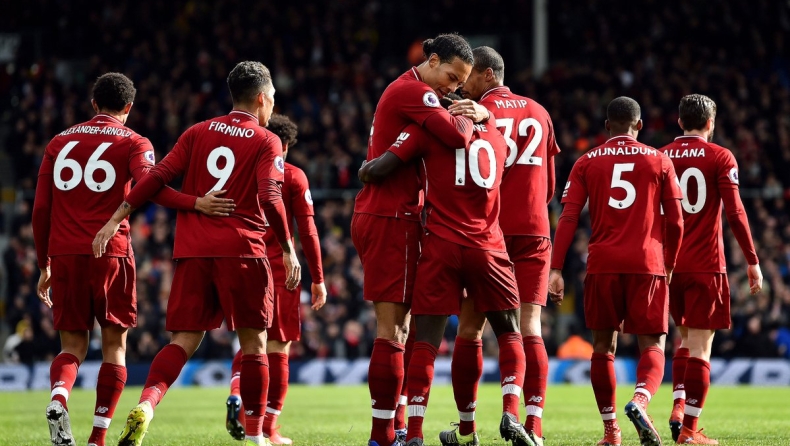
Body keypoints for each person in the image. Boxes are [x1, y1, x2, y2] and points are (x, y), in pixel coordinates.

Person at [92, 61, 300, 446]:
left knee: (182, 341)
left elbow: (154, 179)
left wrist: (117, 216)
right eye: (272, 98)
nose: (273, 106)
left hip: (193, 252)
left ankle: (147, 404)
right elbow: (271, 197)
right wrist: (288, 249)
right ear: (261, 98)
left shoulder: (197, 131)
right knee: (255, 345)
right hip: (243, 251)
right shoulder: (266, 140)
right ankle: (257, 438)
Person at [31, 72, 233, 446]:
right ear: (129, 106)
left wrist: (44, 263)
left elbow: (41, 209)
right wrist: (195, 203)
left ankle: (58, 397)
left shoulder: (58, 142)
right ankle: (97, 438)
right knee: (115, 348)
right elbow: (150, 186)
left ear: (94, 104)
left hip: (65, 253)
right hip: (111, 253)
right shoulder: (134, 142)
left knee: (71, 347)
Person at [359, 93, 532, 446]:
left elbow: (378, 170)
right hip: (488, 246)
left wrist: (364, 168)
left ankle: (415, 432)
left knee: (425, 341)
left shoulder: (427, 132)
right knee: (510, 333)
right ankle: (511, 412)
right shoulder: (498, 137)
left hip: (441, 247)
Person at [351, 33, 490, 446]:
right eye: (451, 77)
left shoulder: (412, 93)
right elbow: (456, 136)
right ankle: (382, 436)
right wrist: (478, 115)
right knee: (392, 330)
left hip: (392, 215)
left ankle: (395, 427)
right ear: (431, 61)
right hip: (392, 217)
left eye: (461, 83)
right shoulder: (415, 92)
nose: (454, 88)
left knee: (404, 327)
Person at [548, 97, 684, 446]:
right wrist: (669, 262)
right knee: (652, 343)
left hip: (602, 264)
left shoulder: (586, 161)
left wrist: (556, 269)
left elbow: (568, 218)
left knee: (602, 348)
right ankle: (640, 399)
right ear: (640, 125)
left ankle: (611, 431)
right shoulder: (659, 160)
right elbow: (676, 221)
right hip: (647, 263)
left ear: (607, 126)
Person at [448, 45, 560, 446]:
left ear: (489, 75)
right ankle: (533, 426)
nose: (463, 86)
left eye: (470, 78)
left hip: (485, 231)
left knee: (470, 328)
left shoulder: (473, 114)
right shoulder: (540, 112)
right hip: (533, 229)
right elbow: (549, 185)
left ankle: (467, 430)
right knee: (530, 326)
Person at [659, 94, 763, 445]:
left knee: (685, 341)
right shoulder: (720, 156)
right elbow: (735, 211)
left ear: (679, 121)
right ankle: (689, 430)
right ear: (710, 123)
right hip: (706, 265)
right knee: (701, 347)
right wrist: (752, 260)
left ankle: (677, 407)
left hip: (670, 266)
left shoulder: (660, 156)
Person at [224, 114, 327, 445]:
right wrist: (318, 278)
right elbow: (307, 230)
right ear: (285, 145)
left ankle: (236, 393)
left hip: (242, 262)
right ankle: (269, 427)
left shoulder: (241, 171)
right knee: (279, 346)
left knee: (251, 342)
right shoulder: (293, 176)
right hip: (280, 270)